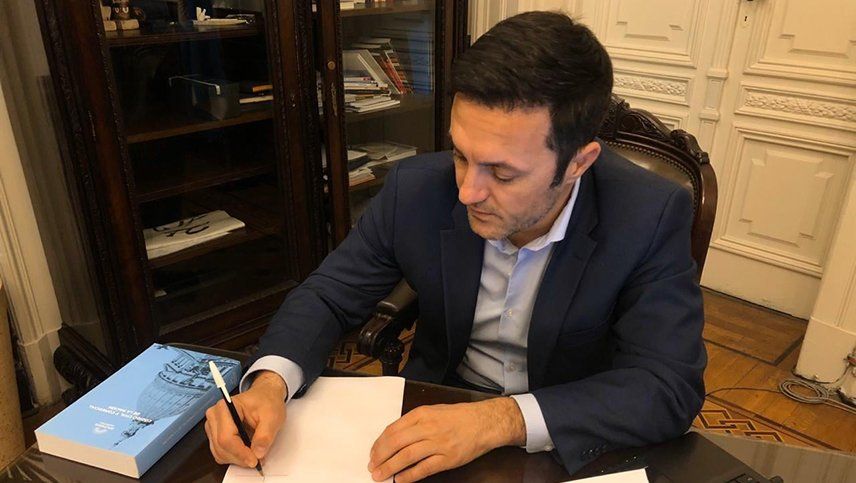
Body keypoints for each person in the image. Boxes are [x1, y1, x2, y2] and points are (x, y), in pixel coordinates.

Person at [204, 11, 706, 481]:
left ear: (578, 163)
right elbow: (330, 294)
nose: (467, 192)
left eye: (502, 173)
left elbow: (668, 385)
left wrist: (499, 420)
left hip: (564, 436)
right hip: (435, 407)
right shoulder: (416, 189)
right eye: (462, 155)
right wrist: (270, 383)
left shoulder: (648, 214)